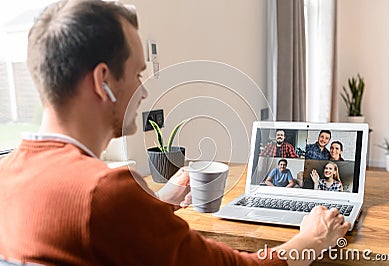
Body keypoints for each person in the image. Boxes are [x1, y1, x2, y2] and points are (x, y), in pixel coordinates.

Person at [0, 1, 350, 265]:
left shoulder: (8, 176)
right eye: (138, 74)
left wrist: (157, 204)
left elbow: (103, 235)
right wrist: (314, 238)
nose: (144, 91)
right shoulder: (103, 194)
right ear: (102, 80)